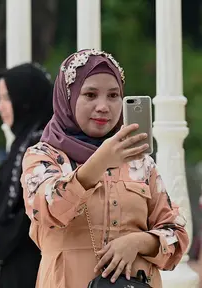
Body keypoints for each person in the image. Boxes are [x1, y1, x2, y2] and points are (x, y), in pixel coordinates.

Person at [20, 49, 189, 288]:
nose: (103, 106)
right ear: (67, 98)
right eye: (90, 94)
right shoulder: (44, 156)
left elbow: (177, 235)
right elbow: (48, 210)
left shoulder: (140, 162)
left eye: (113, 95)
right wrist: (100, 161)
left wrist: (140, 242)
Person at [0, 63, 53, 288]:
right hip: (16, 266)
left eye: (5, 98)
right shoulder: (21, 146)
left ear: (25, 100)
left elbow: (27, 213)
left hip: (32, 268)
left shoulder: (42, 147)